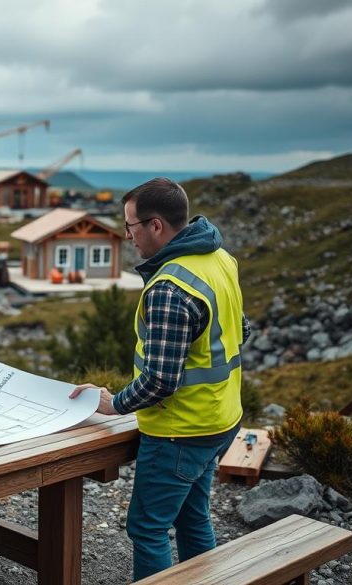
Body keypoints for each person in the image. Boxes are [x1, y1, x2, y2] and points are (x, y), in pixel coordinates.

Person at [69, 177, 251, 581]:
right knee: (192, 517)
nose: (127, 236)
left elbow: (158, 382)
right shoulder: (219, 258)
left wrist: (112, 404)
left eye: (130, 227)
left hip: (179, 430)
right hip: (221, 417)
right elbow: (241, 330)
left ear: (155, 226)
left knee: (148, 527)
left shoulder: (170, 287)